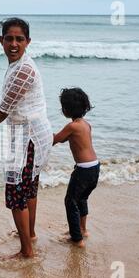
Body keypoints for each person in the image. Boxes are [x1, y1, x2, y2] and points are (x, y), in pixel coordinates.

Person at [0, 18, 53, 259]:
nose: (14, 43)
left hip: (30, 137)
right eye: (9, 38)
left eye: (19, 39)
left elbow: (3, 110)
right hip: (32, 134)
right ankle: (31, 235)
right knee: (29, 189)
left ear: (28, 41)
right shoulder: (19, 65)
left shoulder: (24, 70)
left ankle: (27, 250)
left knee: (16, 193)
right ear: (1, 41)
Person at [53, 88, 99, 248]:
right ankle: (82, 229)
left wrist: (40, 135)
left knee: (70, 201)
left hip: (83, 170)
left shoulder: (72, 126)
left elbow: (56, 139)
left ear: (66, 110)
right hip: (94, 168)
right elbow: (72, 140)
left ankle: (77, 239)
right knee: (81, 199)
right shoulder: (85, 124)